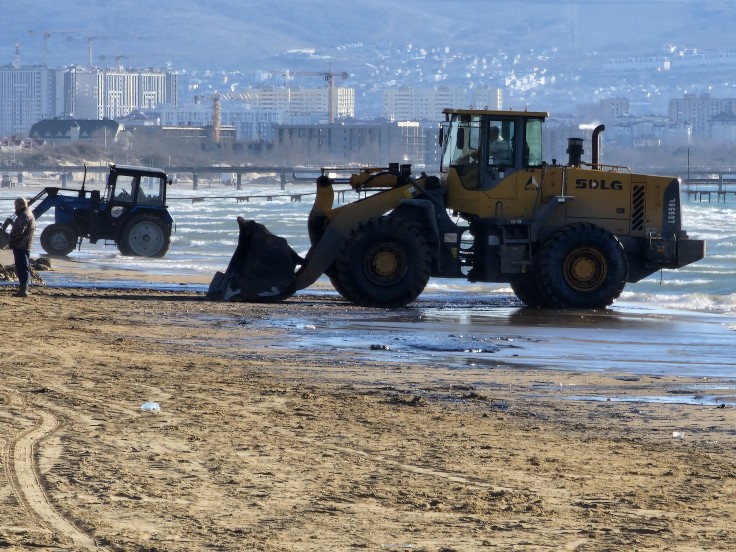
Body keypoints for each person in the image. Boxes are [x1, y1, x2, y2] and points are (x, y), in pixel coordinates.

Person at [8, 197, 37, 297]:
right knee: (23, 266)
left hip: (21, 245)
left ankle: (23, 290)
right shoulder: (27, 214)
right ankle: (23, 288)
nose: (15, 207)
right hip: (24, 244)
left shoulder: (24, 215)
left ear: (20, 205)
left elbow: (19, 231)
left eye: (16, 205)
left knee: (22, 267)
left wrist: (11, 240)